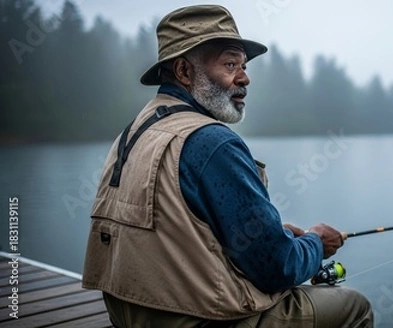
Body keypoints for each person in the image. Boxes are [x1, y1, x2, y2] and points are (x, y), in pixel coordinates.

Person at [81, 5, 373, 328]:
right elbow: (276, 267)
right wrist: (316, 243)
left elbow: (173, 238)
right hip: (199, 320)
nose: (245, 77)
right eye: (230, 63)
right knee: (354, 306)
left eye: (244, 65)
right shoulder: (211, 142)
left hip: (132, 317)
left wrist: (272, 234)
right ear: (184, 71)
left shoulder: (133, 133)